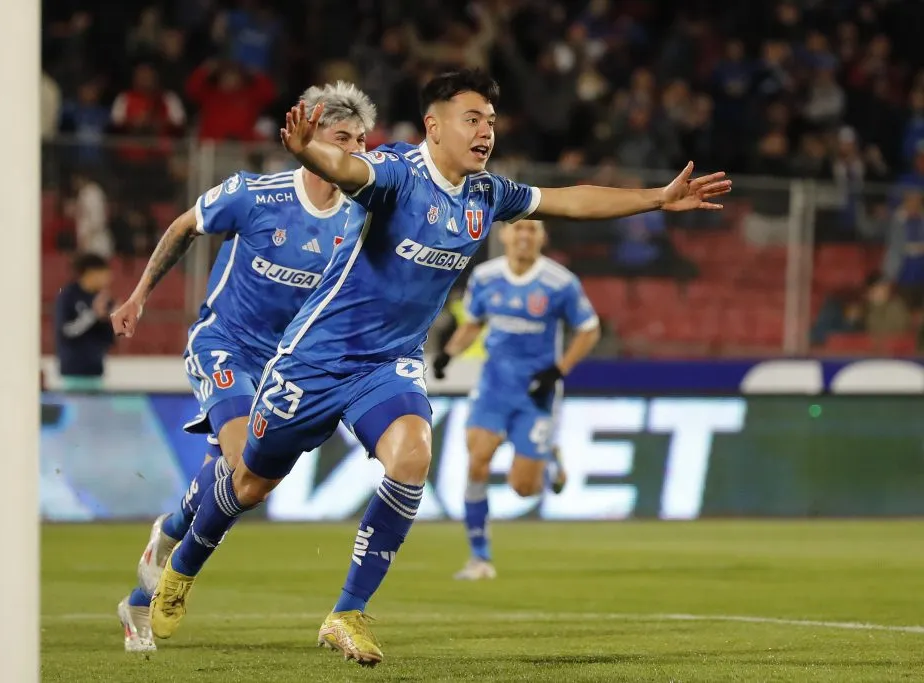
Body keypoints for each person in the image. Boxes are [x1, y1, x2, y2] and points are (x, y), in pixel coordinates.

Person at [151, 68, 731, 666]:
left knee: (413, 455)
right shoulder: (399, 176)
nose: (486, 133)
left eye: (492, 122)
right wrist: (309, 153)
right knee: (249, 481)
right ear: (434, 126)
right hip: (314, 361)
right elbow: (352, 170)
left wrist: (656, 198)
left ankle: (346, 614)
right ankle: (184, 565)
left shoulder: (486, 195)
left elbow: (567, 201)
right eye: (473, 120)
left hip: (388, 365)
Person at [108, 81, 376, 653]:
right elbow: (183, 226)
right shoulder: (257, 195)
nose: (351, 149)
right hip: (223, 345)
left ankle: (145, 587)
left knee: (247, 487)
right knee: (240, 463)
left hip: (286, 369)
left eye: (359, 140)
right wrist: (138, 297)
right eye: (339, 136)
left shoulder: (357, 218)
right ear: (310, 134)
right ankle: (170, 566)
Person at [431, 218, 601, 580]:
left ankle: (550, 459)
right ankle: (480, 558)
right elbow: (473, 322)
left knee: (524, 489)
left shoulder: (560, 282)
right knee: (477, 461)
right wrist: (449, 353)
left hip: (535, 392)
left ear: (543, 237)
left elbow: (589, 329)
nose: (524, 235)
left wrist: (559, 369)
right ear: (505, 234)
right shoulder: (485, 277)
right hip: (493, 387)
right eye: (519, 228)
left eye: (533, 229)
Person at [55, 252, 115, 391]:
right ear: (90, 273)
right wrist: (93, 314)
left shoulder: (103, 299)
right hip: (73, 374)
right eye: (104, 273)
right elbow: (66, 331)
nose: (108, 278)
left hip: (96, 373)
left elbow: (109, 339)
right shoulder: (68, 296)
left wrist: (111, 318)